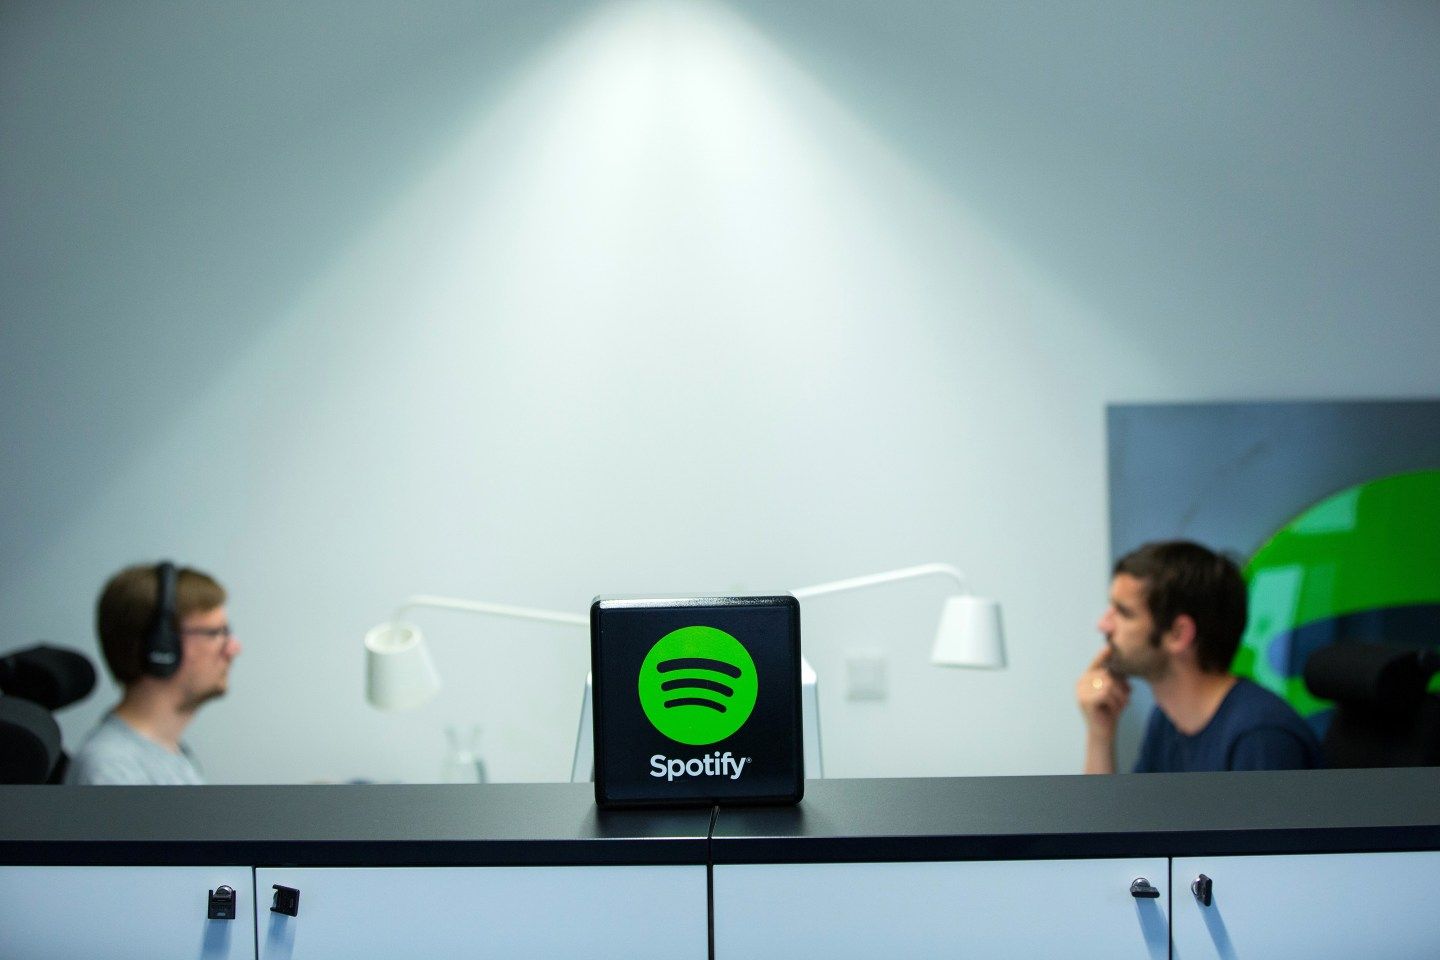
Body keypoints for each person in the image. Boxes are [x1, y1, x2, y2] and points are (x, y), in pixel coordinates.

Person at [1076, 540, 1321, 774]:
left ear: (1178, 634)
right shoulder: (1168, 720)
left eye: (1123, 612)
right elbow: (1113, 818)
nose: (1103, 625)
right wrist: (1100, 734)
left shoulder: (1261, 737)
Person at [66, 562, 240, 785]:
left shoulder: (169, 754)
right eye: (216, 633)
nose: (233, 648)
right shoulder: (111, 771)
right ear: (162, 648)